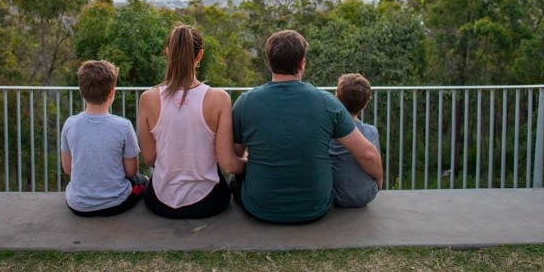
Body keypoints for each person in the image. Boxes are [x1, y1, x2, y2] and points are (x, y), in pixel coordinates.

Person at [231, 30, 384, 224]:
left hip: (260, 208)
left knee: (235, 182)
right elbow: (367, 154)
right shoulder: (328, 103)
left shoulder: (245, 103)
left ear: (269, 62)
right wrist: (379, 181)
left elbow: (236, 154)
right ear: (302, 63)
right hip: (315, 207)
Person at [138, 24, 246, 219]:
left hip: (160, 202)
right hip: (207, 202)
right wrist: (251, 163)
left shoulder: (148, 99)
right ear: (200, 55)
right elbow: (227, 163)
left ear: (168, 52)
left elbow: (149, 158)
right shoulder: (219, 99)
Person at [60, 60, 147, 217]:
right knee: (143, 181)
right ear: (111, 93)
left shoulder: (70, 124)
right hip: (115, 204)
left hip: (78, 205)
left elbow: (67, 169)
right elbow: (131, 172)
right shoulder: (123, 126)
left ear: (81, 91)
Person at [329, 73, 381, 207]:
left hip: (334, 196)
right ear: (365, 103)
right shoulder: (371, 132)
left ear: (337, 98)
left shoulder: (328, 132)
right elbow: (374, 159)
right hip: (366, 195)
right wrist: (380, 180)